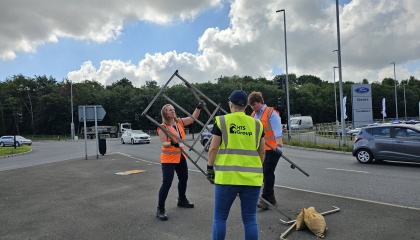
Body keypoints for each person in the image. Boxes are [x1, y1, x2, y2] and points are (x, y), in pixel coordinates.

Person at [207, 89, 266, 239]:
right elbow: (262, 152)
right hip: (252, 179)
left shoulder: (222, 121)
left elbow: (213, 148)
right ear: (246, 106)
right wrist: (257, 169)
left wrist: (209, 168)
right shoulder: (257, 124)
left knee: (220, 217)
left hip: (227, 178)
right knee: (250, 219)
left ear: (230, 105)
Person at [156, 101, 204, 221]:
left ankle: (182, 200)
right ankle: (160, 208)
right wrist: (171, 142)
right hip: (168, 159)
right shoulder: (163, 127)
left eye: (173, 109)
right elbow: (164, 143)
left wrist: (198, 107)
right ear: (165, 113)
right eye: (169, 110)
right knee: (167, 182)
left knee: (184, 178)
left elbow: (193, 118)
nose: (172, 110)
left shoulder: (179, 122)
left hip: (180, 156)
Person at [248, 91, 284, 210]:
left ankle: (265, 200)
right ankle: (272, 198)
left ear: (260, 102)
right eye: (251, 105)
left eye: (254, 104)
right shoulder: (254, 115)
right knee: (264, 172)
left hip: (273, 148)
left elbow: (277, 130)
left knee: (268, 172)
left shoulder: (271, 113)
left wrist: (279, 145)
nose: (253, 107)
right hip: (262, 148)